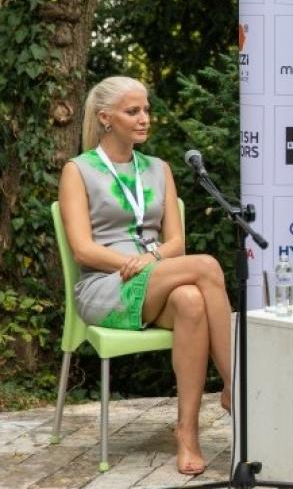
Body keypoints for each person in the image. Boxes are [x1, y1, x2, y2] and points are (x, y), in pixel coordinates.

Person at [57, 76, 233, 476]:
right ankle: (233, 386)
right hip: (105, 285)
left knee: (191, 300)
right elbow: (82, 249)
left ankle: (187, 433)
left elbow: (176, 243)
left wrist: (150, 258)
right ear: (105, 118)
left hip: (155, 274)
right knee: (207, 266)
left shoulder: (158, 169)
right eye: (132, 111)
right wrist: (129, 263)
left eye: (146, 109)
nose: (144, 118)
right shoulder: (78, 171)